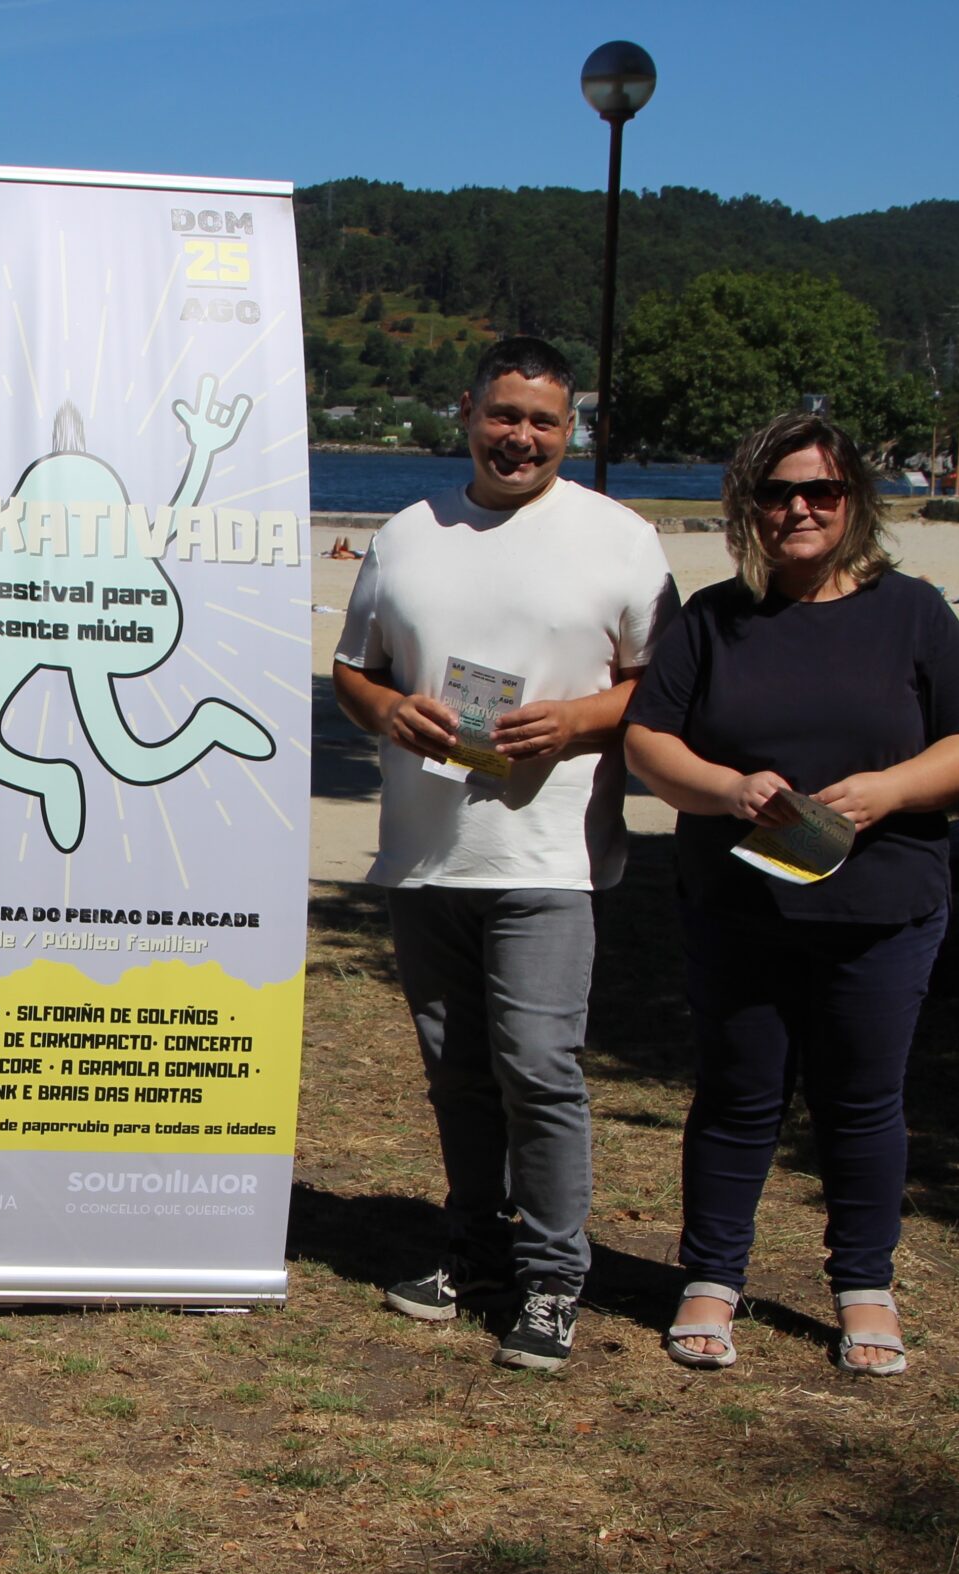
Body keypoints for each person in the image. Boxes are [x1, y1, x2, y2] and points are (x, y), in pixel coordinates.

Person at [331, 336, 680, 1372]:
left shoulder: (620, 539)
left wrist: (576, 720)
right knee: (457, 1075)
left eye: (542, 421)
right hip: (425, 857)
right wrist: (388, 710)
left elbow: (663, 685)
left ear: (570, 429)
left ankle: (553, 1277)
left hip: (551, 859)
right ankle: (474, 1248)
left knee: (538, 1068)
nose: (520, 437)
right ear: (467, 412)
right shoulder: (406, 534)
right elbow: (353, 670)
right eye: (503, 415)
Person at [623, 414, 959, 1376]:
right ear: (748, 507)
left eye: (820, 491)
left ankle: (865, 1286)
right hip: (738, 904)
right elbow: (649, 741)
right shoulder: (713, 618)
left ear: (853, 501)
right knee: (736, 1096)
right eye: (776, 492)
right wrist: (726, 789)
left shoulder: (913, 611)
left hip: (883, 908)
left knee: (862, 1101)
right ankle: (711, 1277)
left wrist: (889, 791)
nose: (798, 508)